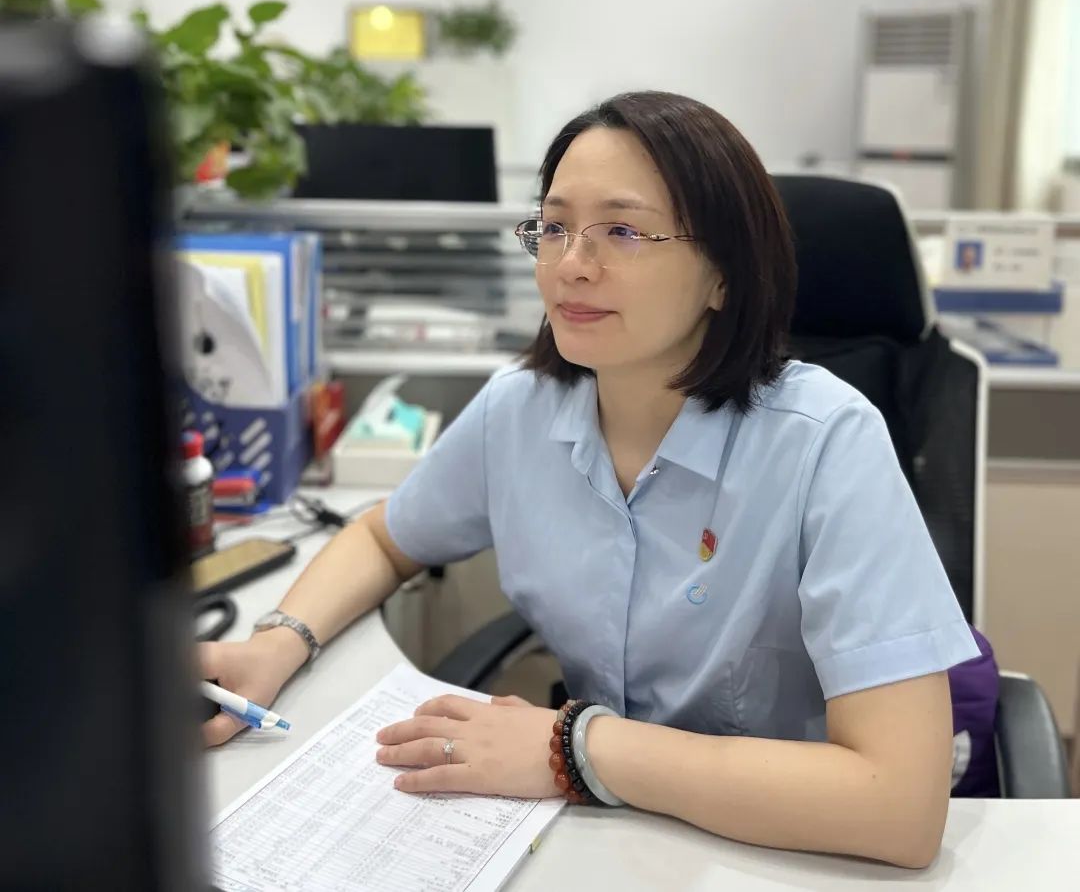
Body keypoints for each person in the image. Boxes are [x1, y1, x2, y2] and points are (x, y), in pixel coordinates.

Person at [200, 92, 977, 869]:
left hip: (787, 854)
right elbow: (383, 535)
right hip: (608, 840)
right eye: (555, 227)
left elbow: (899, 806)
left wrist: (573, 747)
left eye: (622, 231)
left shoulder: (825, 439)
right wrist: (277, 643)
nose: (571, 263)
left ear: (724, 275)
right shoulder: (520, 411)